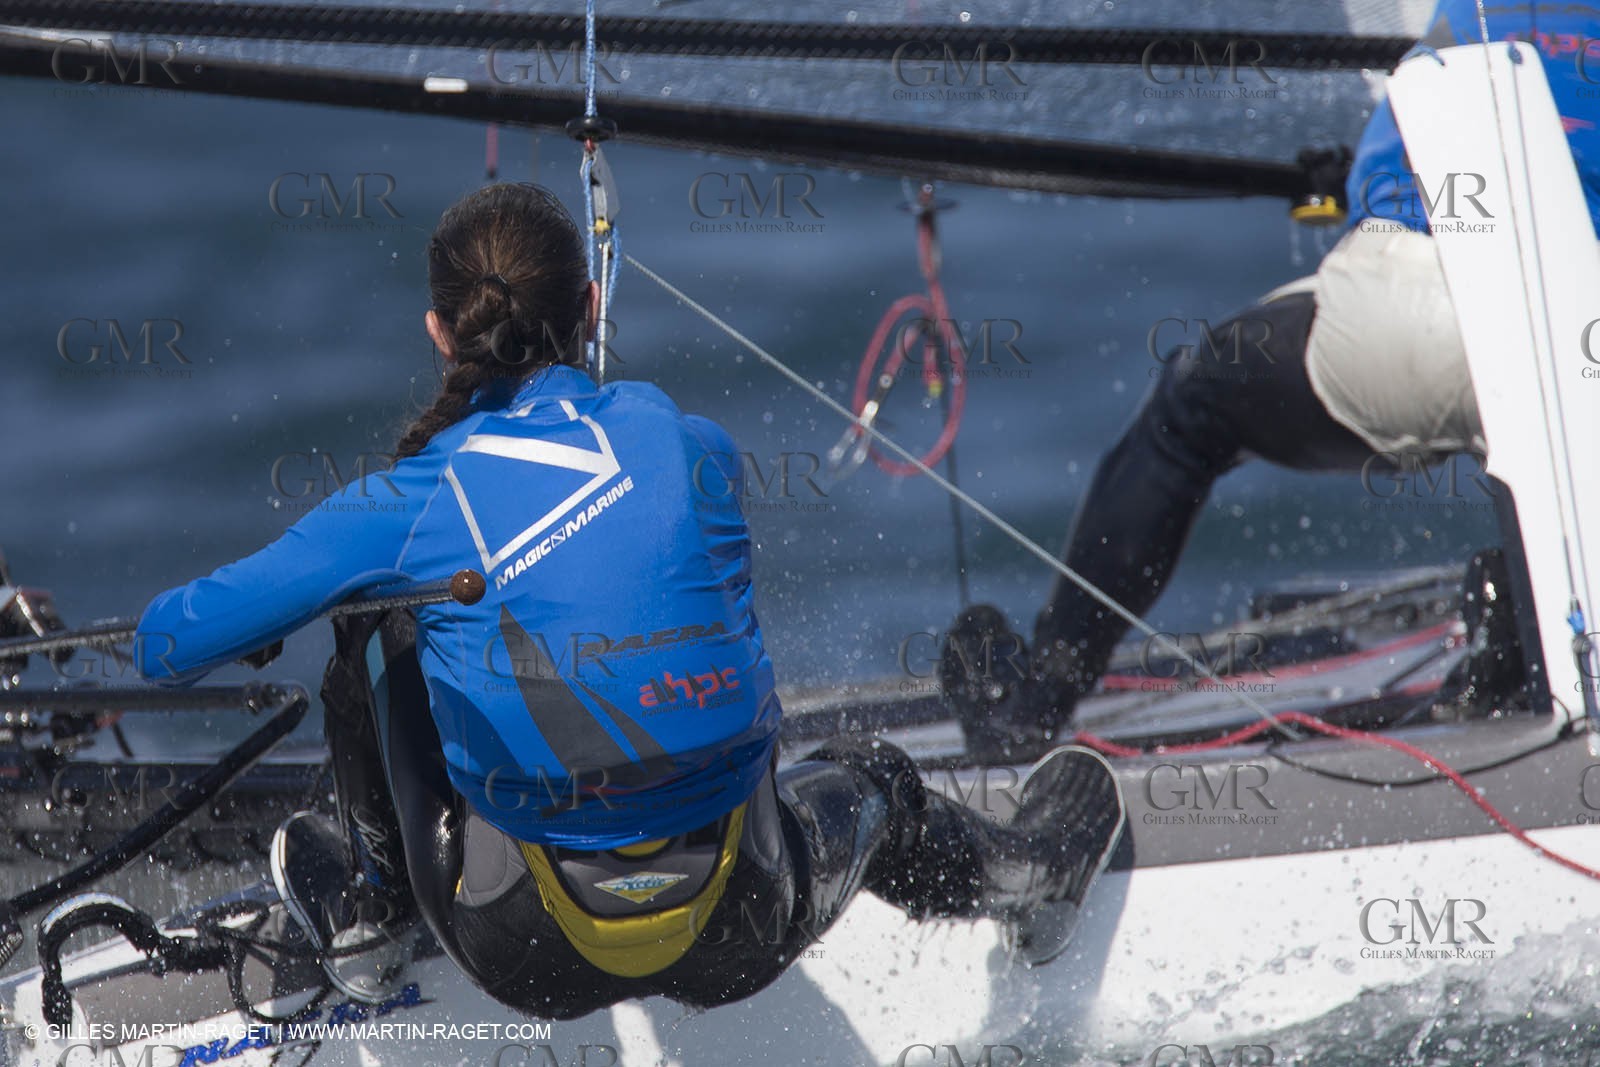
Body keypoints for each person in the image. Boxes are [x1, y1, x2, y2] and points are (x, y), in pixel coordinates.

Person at [133, 182, 1125, 1017]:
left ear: (439, 332)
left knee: (380, 613)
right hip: (739, 922)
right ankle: (1034, 879)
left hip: (523, 950)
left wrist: (300, 604)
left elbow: (167, 645)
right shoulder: (693, 446)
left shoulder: (407, 502)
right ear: (591, 305)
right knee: (877, 778)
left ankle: (374, 912)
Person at [944, 0, 1594, 759]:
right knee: (1538, 395)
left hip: (1398, 321)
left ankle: (1038, 700)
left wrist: (1357, 175)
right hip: (1576, 342)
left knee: (1191, 409)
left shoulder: (1464, 14)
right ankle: (1534, 621)